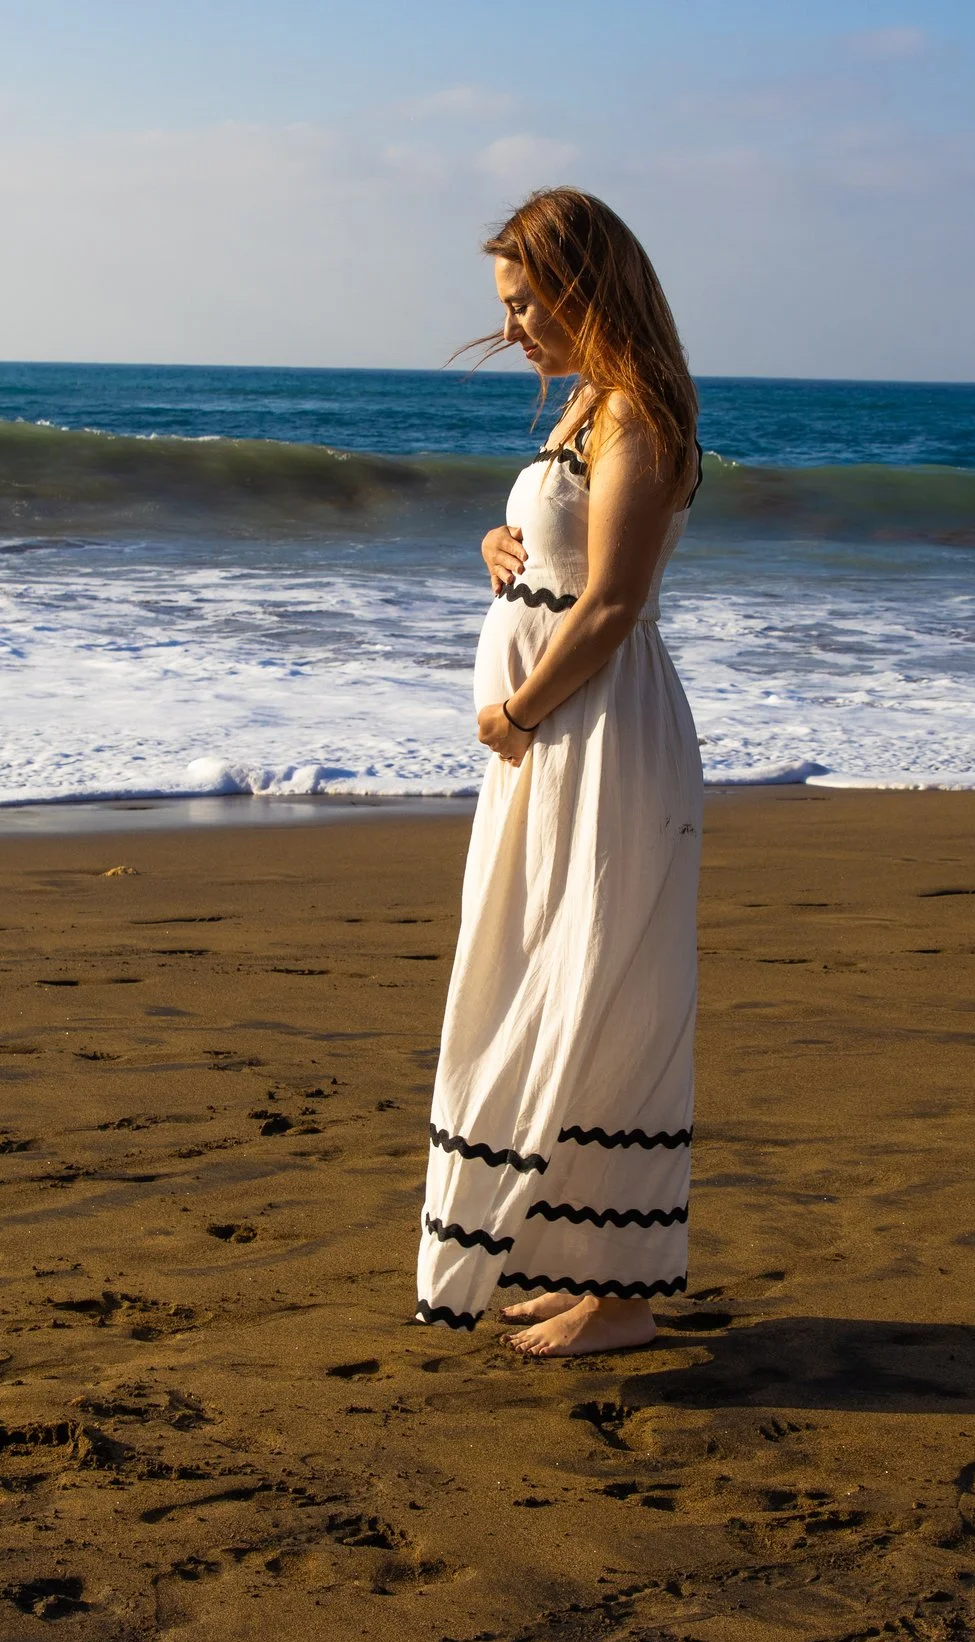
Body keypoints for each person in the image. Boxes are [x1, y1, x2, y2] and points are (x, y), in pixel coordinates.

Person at [415, 187, 704, 1359]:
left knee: (602, 982)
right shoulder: (588, 405)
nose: (516, 325)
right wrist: (503, 545)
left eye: (529, 300)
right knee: (547, 971)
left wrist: (519, 712)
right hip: (556, 734)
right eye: (508, 305)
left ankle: (623, 1293)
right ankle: (576, 1257)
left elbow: (620, 600)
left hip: (593, 733)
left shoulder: (635, 411)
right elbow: (573, 553)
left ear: (586, 287)